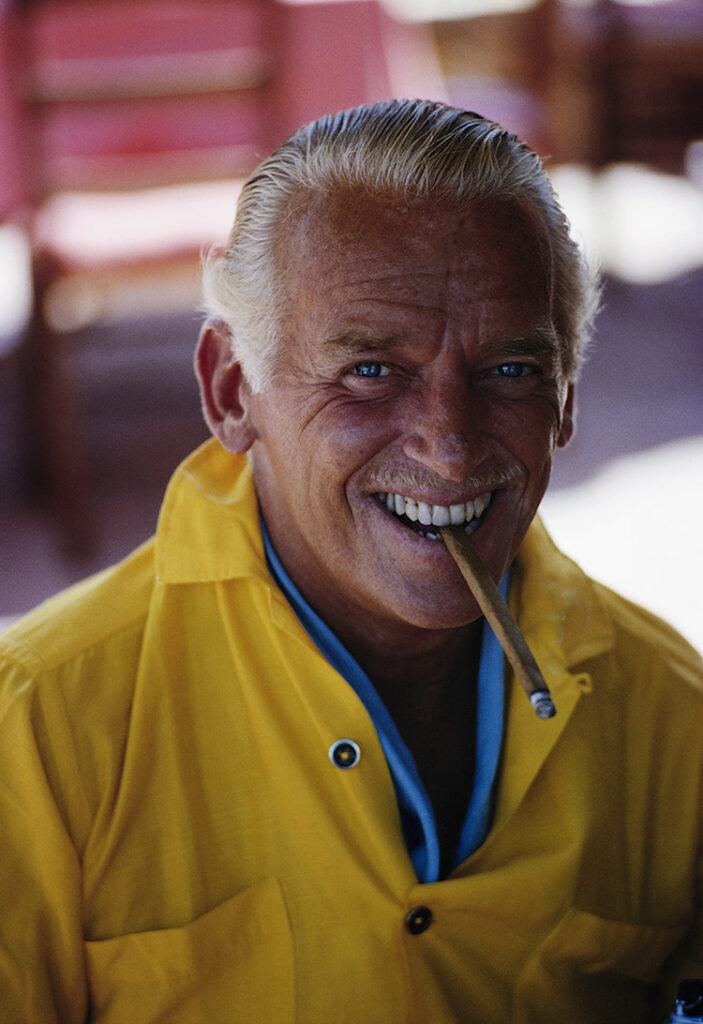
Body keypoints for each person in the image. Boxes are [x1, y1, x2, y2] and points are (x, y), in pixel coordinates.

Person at [1, 99, 701, 1024]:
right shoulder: (42, 733)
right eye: (370, 371)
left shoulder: (671, 718)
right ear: (230, 390)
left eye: (510, 371)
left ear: (566, 400)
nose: (449, 449)